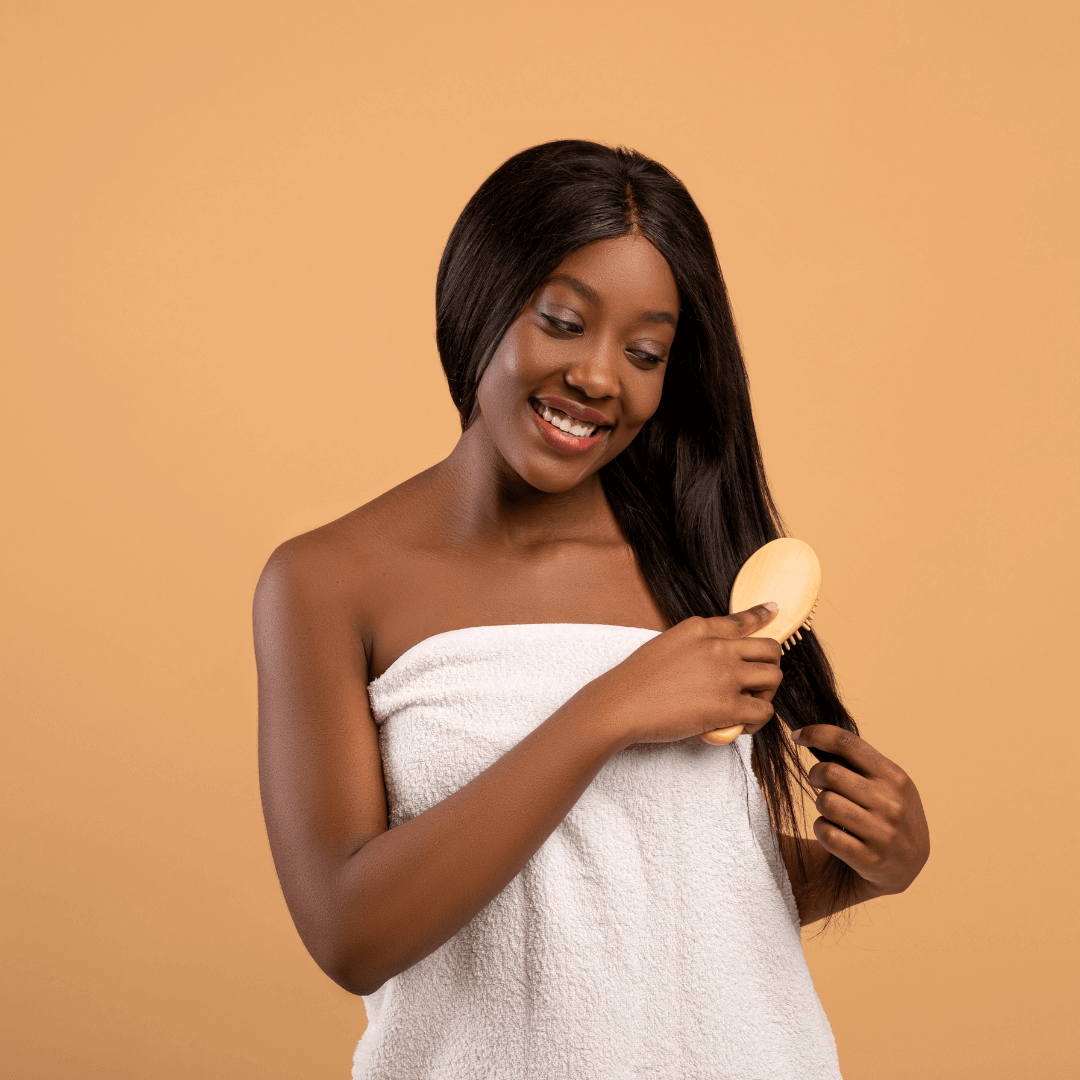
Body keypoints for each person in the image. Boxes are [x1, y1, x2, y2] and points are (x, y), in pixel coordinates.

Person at [254, 140, 930, 1079]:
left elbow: (675, 880)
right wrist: (608, 711)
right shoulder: (326, 581)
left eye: (645, 352)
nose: (601, 377)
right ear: (481, 298)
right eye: (565, 322)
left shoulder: (703, 564)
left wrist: (865, 865)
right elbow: (350, 931)